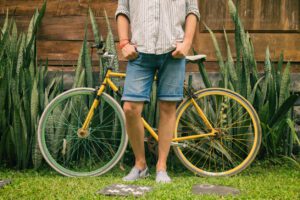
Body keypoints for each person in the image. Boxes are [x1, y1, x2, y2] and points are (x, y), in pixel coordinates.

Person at [115, 0, 200, 183]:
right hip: (139, 51)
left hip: (173, 50)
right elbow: (123, 10)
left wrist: (187, 42)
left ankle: (162, 167)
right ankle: (140, 165)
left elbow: (192, 10)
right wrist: (124, 43)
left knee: (168, 107)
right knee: (130, 108)